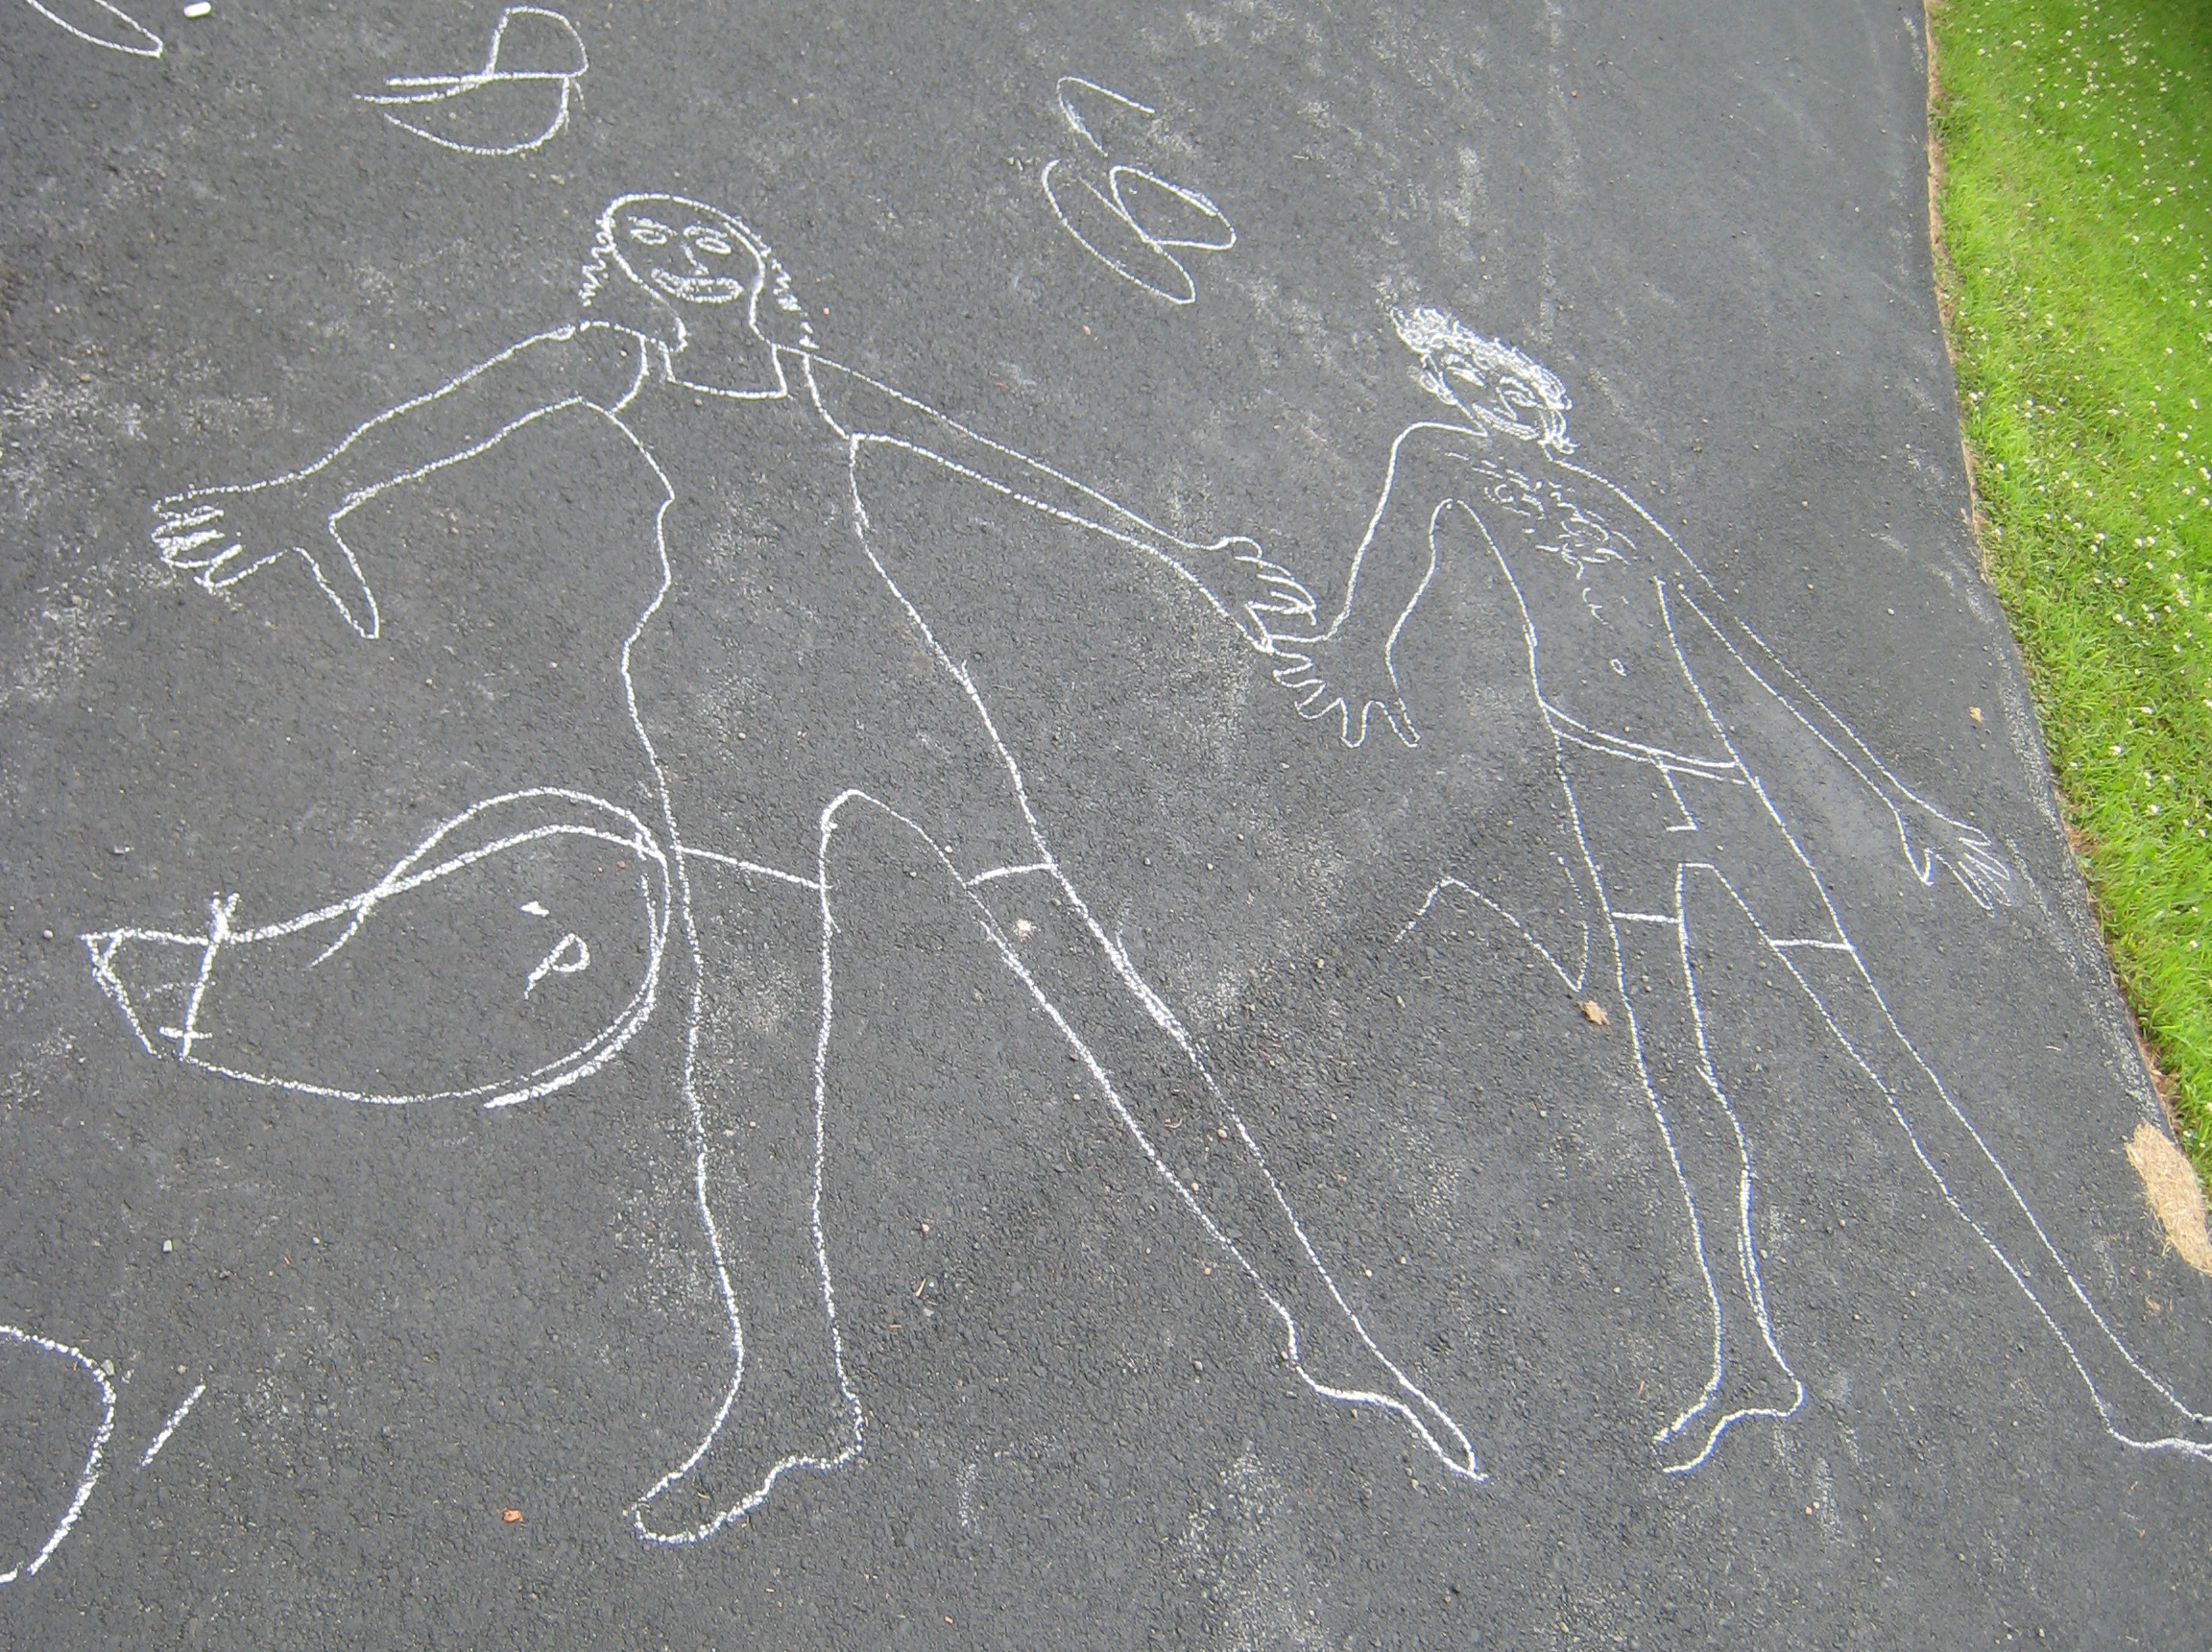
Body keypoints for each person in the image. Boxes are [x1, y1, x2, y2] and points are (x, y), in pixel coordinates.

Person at [134, 195, 1477, 1539]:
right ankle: (790, 1385)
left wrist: (1187, 556)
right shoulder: (619, 361)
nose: (690, 261)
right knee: (753, 1045)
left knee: (1086, 983)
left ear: (755, 265)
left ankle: (1321, 1319)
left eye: (709, 243)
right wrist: (304, 497)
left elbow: (987, 458)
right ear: (623, 276)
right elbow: (472, 409)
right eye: (656, 248)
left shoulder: (810, 377)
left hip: (901, 691)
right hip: (717, 704)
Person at [1257, 301, 2211, 1469]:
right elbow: (1399, 548)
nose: (1489, 397)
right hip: (1613, 785)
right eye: (1468, 380)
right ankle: (1751, 1357)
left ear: (1536, 406)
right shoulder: (1442, 453)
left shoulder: (1604, 502)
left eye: (1507, 387)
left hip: (1721, 784)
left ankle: (2112, 1371)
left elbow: (1732, 646)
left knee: (1885, 1055)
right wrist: (1358, 643)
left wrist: (1897, 800)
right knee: (1677, 1065)